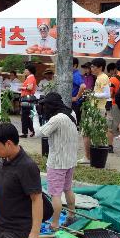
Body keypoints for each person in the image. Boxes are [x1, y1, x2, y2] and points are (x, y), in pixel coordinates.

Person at [38, 92, 80, 231]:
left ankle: (55, 224)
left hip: (57, 162)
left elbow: (40, 132)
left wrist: (34, 118)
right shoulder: (71, 113)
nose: (44, 108)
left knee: (55, 194)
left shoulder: (56, 119)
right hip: (70, 159)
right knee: (68, 188)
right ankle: (71, 215)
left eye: (46, 105)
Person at [71, 58, 86, 127]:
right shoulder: (72, 74)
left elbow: (83, 86)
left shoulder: (76, 75)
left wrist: (77, 97)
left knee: (73, 124)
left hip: (74, 103)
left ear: (75, 65)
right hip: (72, 102)